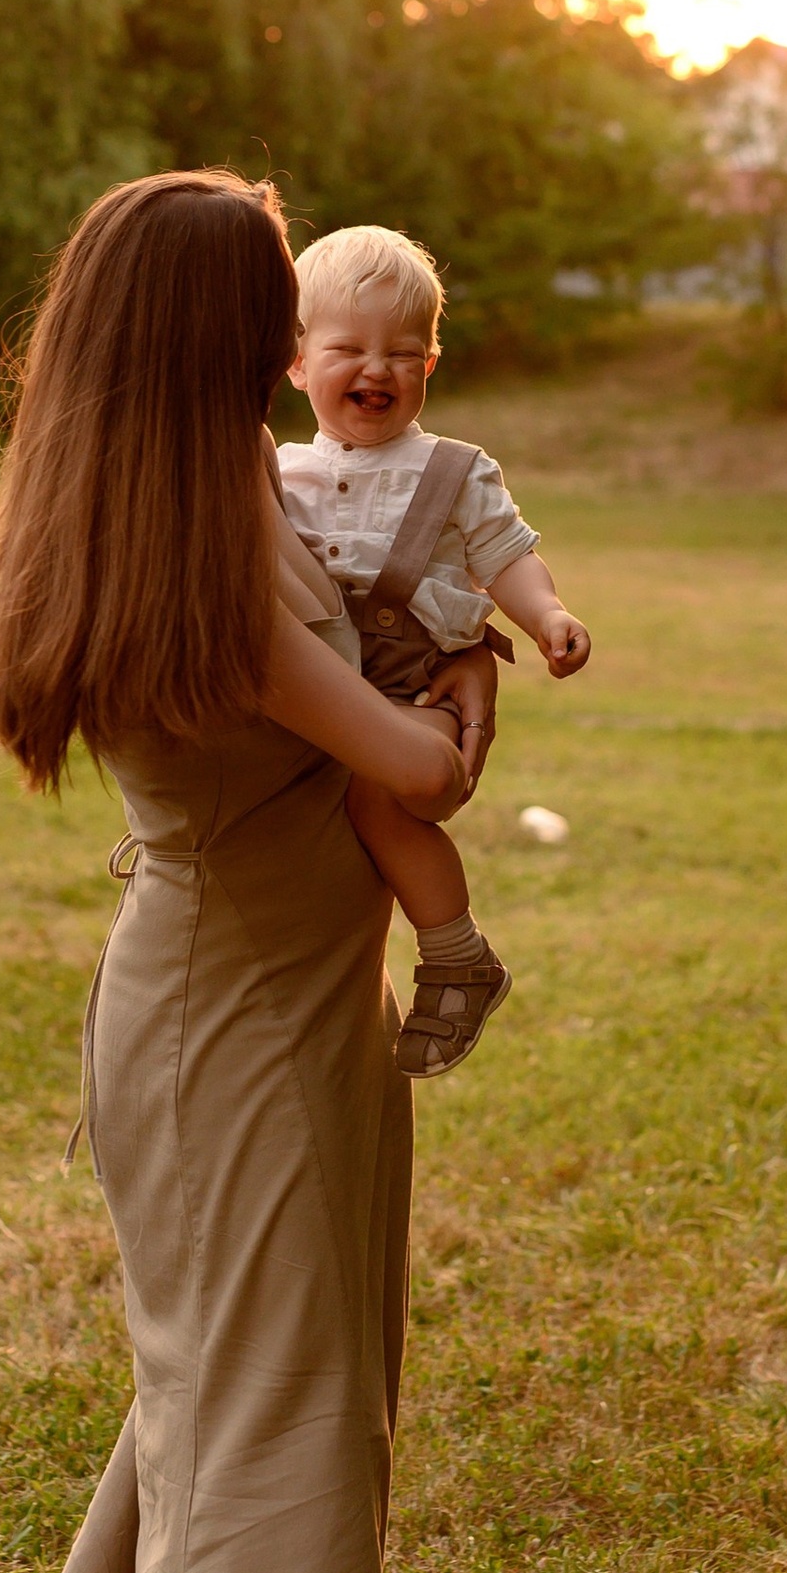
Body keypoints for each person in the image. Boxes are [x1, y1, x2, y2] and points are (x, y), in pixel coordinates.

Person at [0, 168, 498, 1573]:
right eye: (274, 294)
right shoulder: (218, 543)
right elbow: (412, 772)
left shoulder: (179, 502)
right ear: (218, 336)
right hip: (229, 1025)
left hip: (278, 1000)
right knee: (263, 1410)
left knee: (282, 1387)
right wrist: (462, 706)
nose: (295, 329)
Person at [277, 223, 591, 1078]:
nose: (376, 369)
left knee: (383, 809)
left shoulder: (456, 470)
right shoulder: (281, 472)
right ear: (298, 363)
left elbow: (506, 555)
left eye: (402, 352)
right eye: (349, 347)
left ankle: (456, 956)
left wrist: (548, 615)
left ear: (430, 366)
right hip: (319, 689)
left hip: (414, 689)